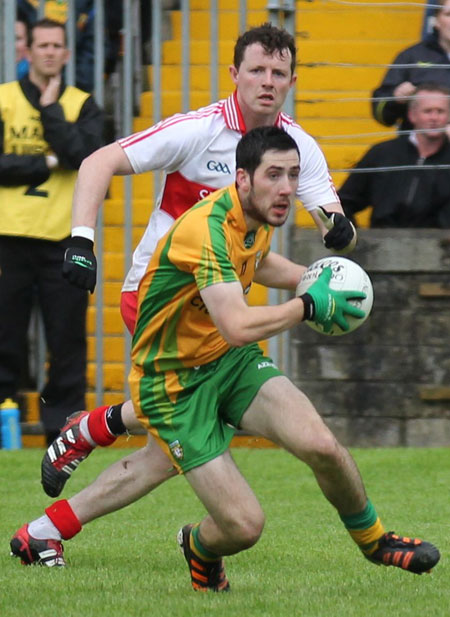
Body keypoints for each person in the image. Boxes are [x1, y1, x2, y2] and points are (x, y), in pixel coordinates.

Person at [10, 127, 440, 589]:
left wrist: (315, 279)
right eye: (273, 175)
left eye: (293, 176)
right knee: (242, 525)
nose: (286, 188)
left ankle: (375, 542)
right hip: (174, 381)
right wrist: (309, 304)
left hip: (226, 361)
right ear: (241, 179)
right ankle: (197, 544)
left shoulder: (254, 219)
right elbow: (236, 324)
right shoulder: (208, 229)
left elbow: (256, 262)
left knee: (322, 446)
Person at [39, 22, 358, 500]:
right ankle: (191, 536)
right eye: (257, 70)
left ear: (292, 81)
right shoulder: (198, 130)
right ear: (235, 73)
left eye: (278, 72)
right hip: (155, 294)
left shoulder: (297, 149)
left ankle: (84, 441)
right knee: (193, 416)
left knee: (190, 416)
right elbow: (96, 162)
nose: (267, 81)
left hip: (220, 304)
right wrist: (81, 241)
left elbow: (332, 223)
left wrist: (339, 235)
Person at [0, 18, 104, 444]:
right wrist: (44, 162)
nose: (48, 51)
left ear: (65, 53)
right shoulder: (4, 99)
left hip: (64, 239)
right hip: (10, 236)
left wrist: (48, 113)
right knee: (5, 335)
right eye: (41, 44)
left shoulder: (83, 104)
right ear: (28, 51)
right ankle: (5, 415)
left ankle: (59, 429)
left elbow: (86, 157)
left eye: (56, 45)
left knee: (67, 342)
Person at [339, 83, 450, 228]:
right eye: (427, 111)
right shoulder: (383, 153)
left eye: (440, 111)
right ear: (412, 115)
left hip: (441, 248)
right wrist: (355, 242)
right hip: (383, 245)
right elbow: (344, 203)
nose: (434, 118)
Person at [372, 0, 450, 131]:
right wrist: (395, 98)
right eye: (449, 14)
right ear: (436, 20)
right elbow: (381, 115)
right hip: (419, 148)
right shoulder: (411, 57)